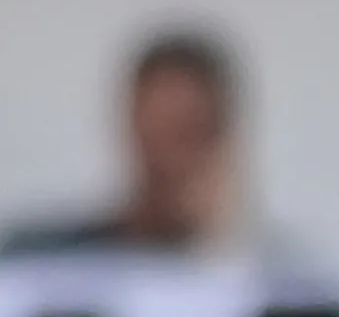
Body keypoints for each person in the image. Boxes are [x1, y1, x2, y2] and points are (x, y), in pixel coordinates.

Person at [7, 27, 253, 258]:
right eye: (156, 132)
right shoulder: (43, 257)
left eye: (185, 133)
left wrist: (215, 245)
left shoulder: (266, 275)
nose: (167, 159)